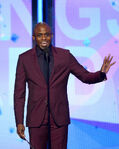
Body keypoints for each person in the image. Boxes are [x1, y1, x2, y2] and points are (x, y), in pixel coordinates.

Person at [14, 22, 115, 149]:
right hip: (36, 118)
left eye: (47, 35)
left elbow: (85, 76)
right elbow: (19, 94)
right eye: (40, 35)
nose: (44, 38)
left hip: (59, 118)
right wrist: (19, 122)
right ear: (34, 38)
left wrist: (101, 73)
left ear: (52, 36)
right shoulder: (25, 59)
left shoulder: (64, 56)